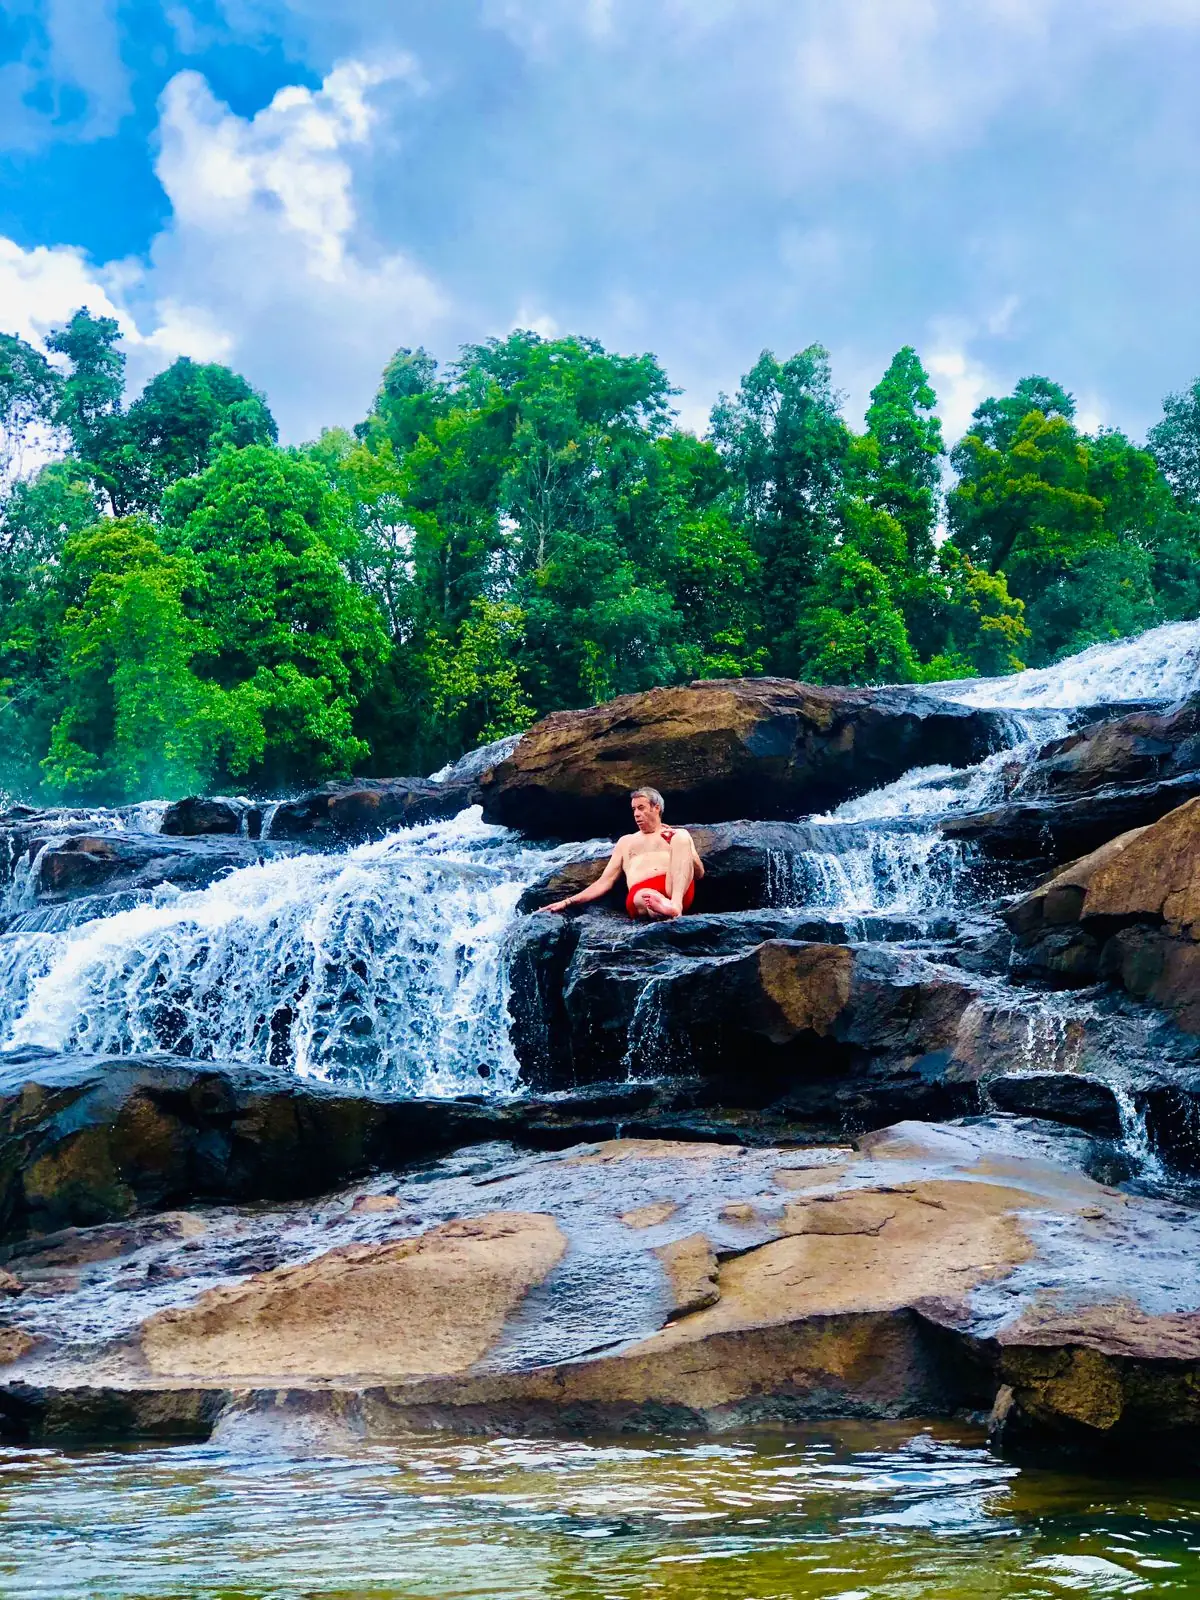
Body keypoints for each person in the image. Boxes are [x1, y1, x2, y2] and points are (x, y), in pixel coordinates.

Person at [541, 787, 704, 919]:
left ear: (656, 808)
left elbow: (699, 873)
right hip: (643, 893)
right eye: (634, 809)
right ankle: (661, 909)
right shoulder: (626, 842)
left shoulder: (675, 835)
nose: (636, 814)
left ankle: (674, 907)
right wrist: (568, 902)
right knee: (647, 897)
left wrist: (685, 847)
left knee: (682, 835)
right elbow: (605, 882)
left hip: (675, 890)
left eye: (641, 808)